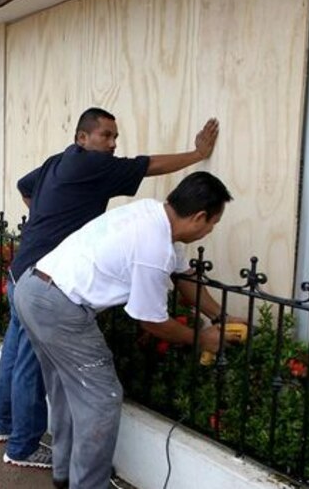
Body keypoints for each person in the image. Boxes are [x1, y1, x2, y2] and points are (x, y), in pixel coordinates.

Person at [0, 108, 219, 469]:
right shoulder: (95, 166)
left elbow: (24, 186)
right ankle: (21, 447)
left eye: (115, 137)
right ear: (83, 138)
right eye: (106, 136)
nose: (113, 144)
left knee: (14, 353)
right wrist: (196, 155)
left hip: (25, 269)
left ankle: (2, 427)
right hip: (44, 275)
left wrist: (49, 220)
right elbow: (149, 165)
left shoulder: (60, 161)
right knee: (30, 364)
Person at [14, 171, 242, 488]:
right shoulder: (154, 248)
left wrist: (221, 316)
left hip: (33, 287)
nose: (209, 231)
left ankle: (65, 474)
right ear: (199, 217)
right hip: (59, 307)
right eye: (212, 224)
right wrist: (202, 338)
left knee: (67, 388)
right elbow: (151, 320)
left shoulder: (152, 214)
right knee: (102, 397)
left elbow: (185, 277)